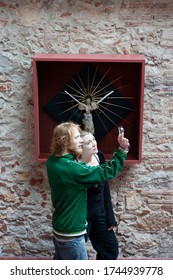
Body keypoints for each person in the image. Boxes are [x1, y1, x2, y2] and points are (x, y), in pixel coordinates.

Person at [46, 122, 130, 260]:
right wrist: (122, 150)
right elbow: (107, 172)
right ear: (65, 141)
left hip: (59, 227)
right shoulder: (73, 168)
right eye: (77, 137)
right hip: (72, 233)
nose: (81, 140)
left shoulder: (53, 161)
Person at [79, 131, 119, 259]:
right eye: (88, 142)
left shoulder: (99, 157)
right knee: (74, 254)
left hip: (99, 214)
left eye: (94, 139)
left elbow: (105, 189)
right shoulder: (74, 164)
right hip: (81, 216)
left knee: (110, 250)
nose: (94, 144)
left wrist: (110, 218)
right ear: (80, 147)